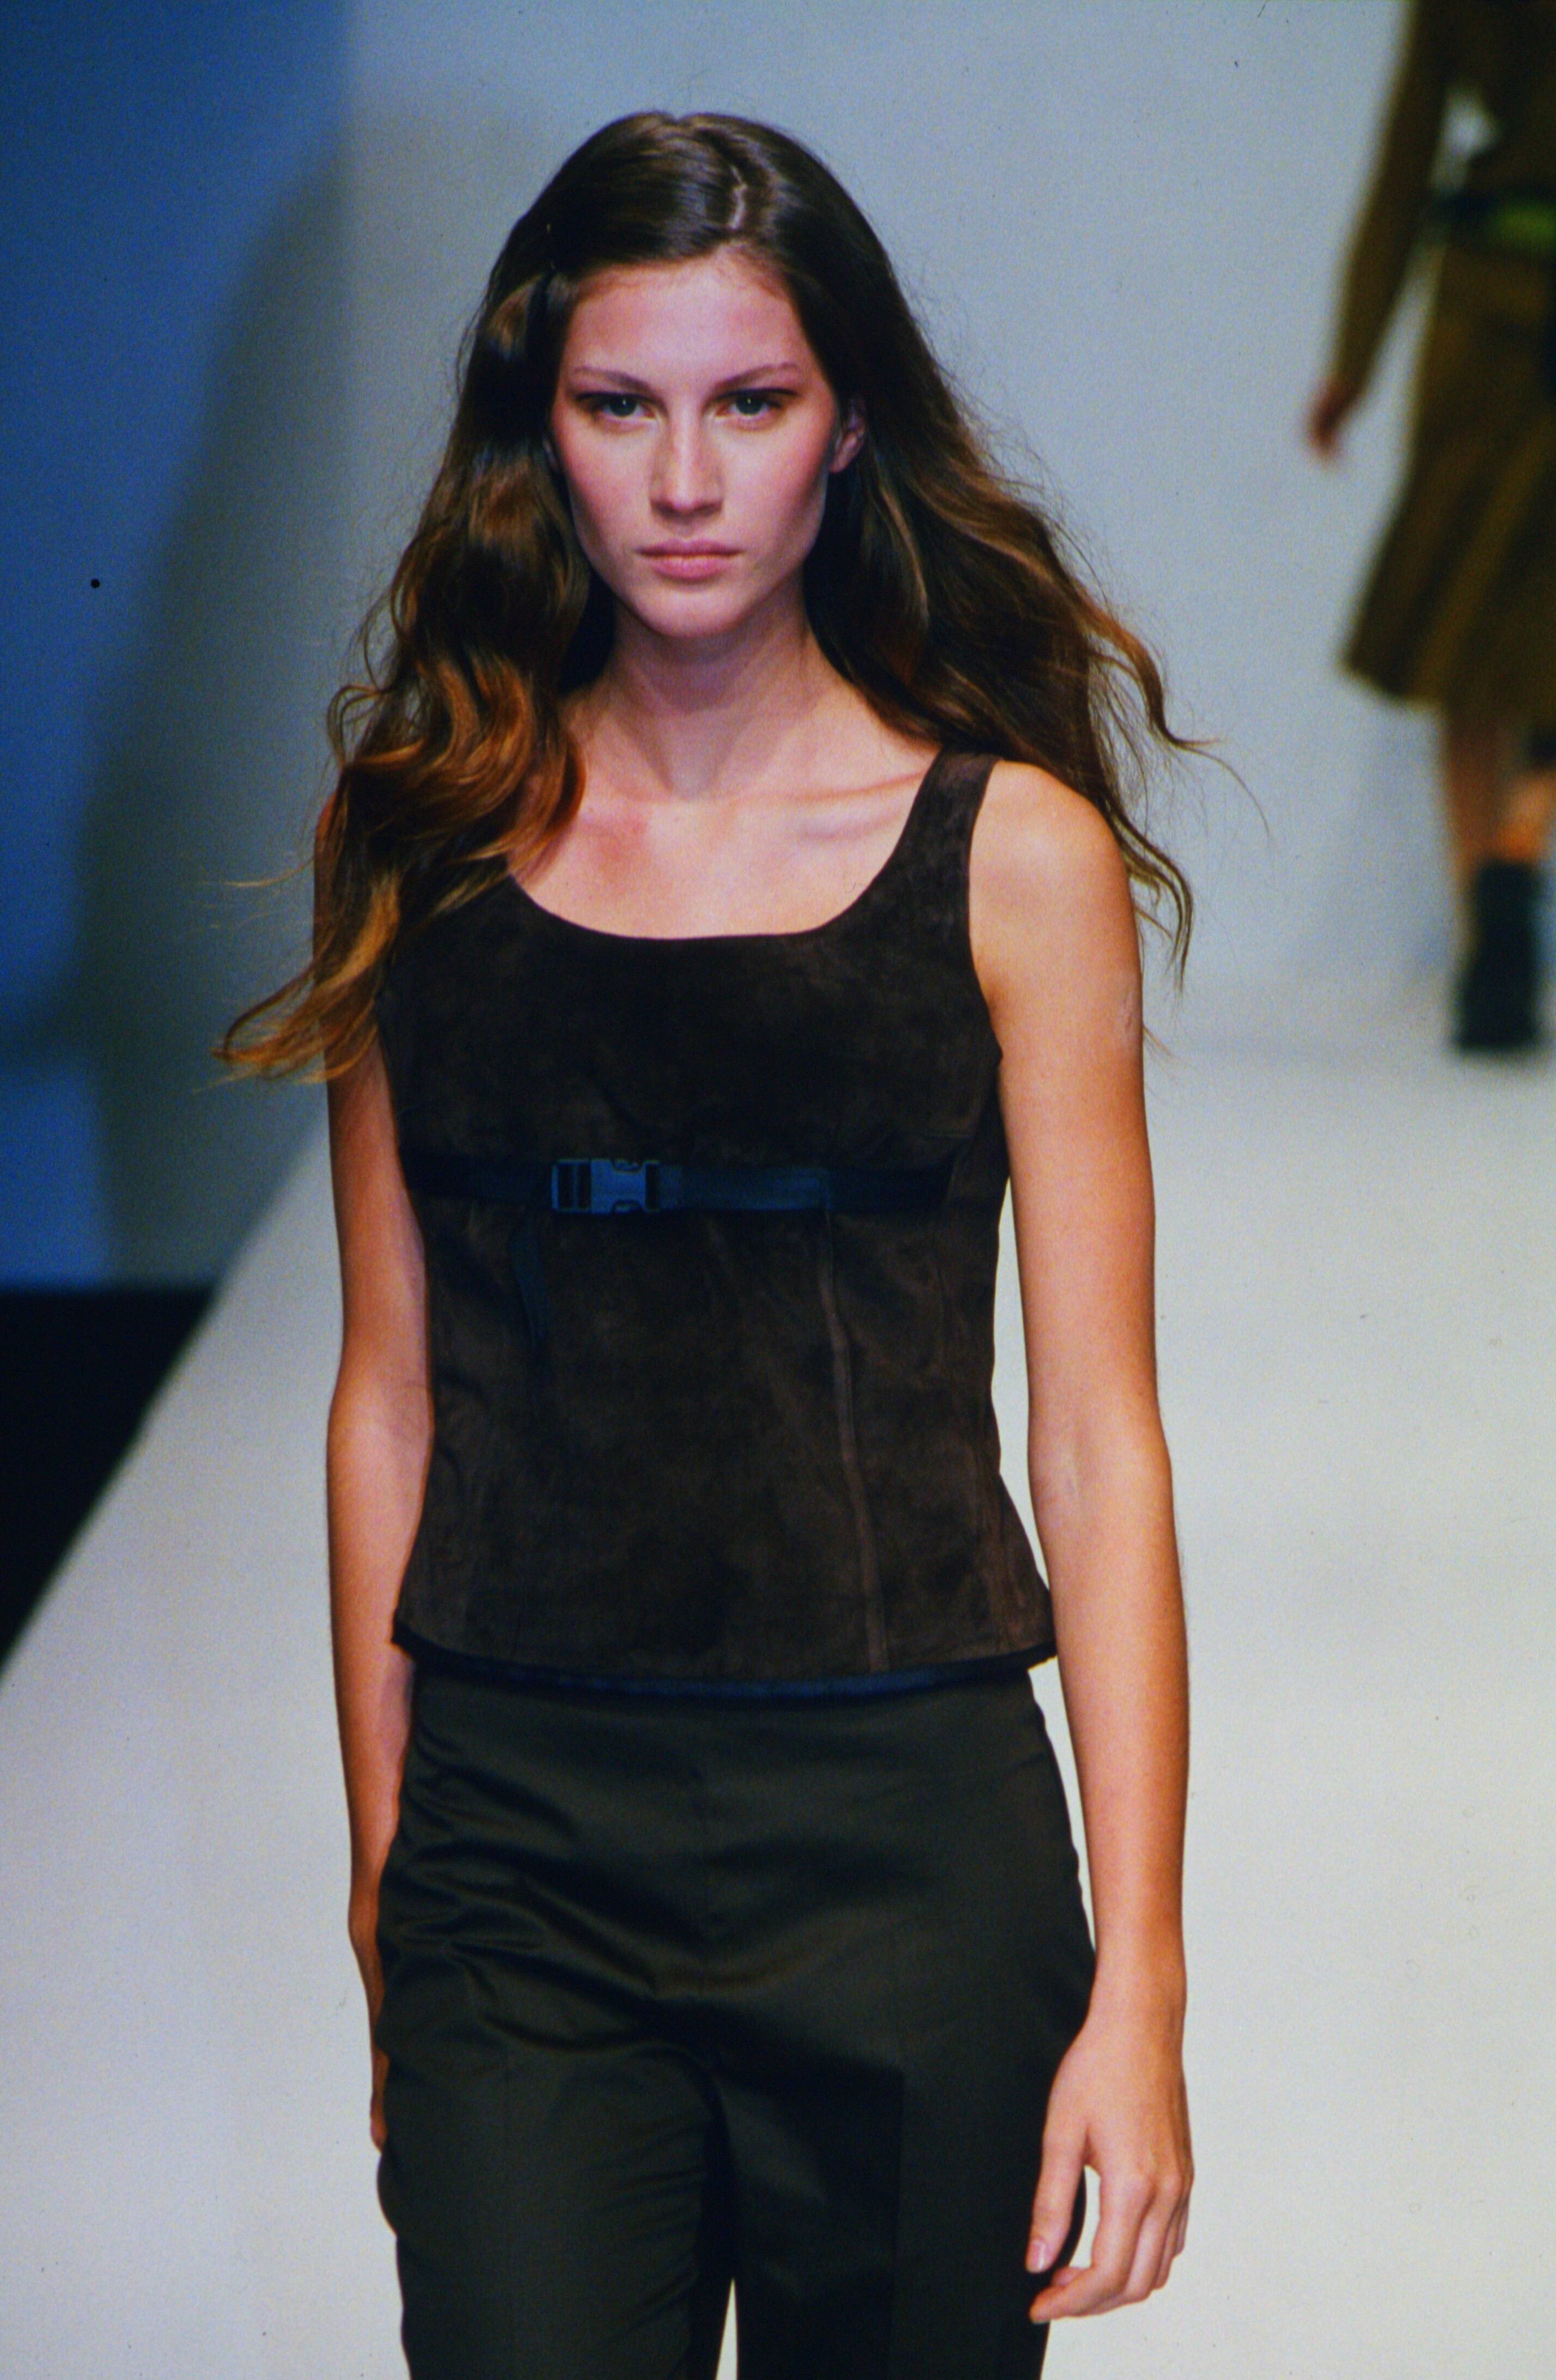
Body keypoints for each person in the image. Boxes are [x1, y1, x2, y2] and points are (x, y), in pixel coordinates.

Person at [226, 112, 1193, 2379]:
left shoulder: (1008, 858)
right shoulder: (416, 842)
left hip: (907, 1843)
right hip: (518, 1862)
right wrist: (386, 1884)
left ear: (845, 426)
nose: (682, 481)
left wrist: (1139, 1982)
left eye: (747, 404)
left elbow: (1100, 1443)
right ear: (535, 426)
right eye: (618, 405)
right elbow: (389, 1400)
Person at [1308, 0, 1556, 1053]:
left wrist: (1352, 361)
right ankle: (1524, 831)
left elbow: (1405, 162)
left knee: (1464, 618)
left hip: (1482, 308)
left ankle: (1479, 923)